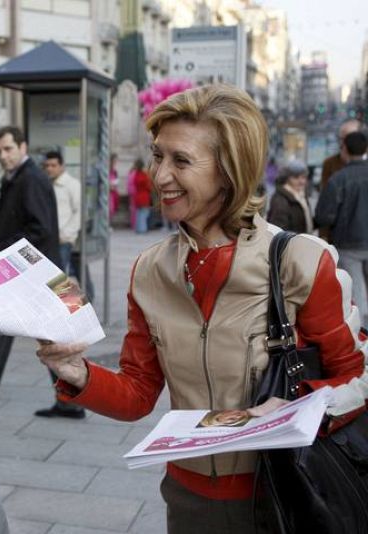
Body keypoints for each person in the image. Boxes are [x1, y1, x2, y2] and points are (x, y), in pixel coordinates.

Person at [34, 85, 365, 533]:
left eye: (181, 160)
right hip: (186, 499)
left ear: (229, 171)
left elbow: (356, 376)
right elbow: (137, 393)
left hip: (284, 495)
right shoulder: (150, 271)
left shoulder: (301, 262)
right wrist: (77, 373)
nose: (160, 175)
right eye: (157, 156)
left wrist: (290, 407)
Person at [0, 126, 84, 420]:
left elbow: (39, 230)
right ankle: (68, 403)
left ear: (23, 146)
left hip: (34, 274)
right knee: (31, 337)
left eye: (8, 149)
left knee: (38, 338)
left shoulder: (31, 178)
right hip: (30, 272)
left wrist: (0, 249)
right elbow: (20, 226)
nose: (3, 156)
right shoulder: (18, 177)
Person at [315, 130, 368, 326]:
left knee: (356, 292)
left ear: (345, 149)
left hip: (348, 243)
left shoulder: (338, 179)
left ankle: (362, 333)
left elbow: (324, 215)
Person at [42, 151, 81, 274]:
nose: (49, 169)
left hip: (63, 240)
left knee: (58, 277)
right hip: (48, 238)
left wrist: (65, 234)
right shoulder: (46, 184)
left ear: (62, 166)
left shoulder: (72, 184)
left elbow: (79, 212)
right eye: (47, 166)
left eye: (53, 165)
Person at [266, 161, 314, 234]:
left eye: (303, 177)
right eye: (296, 177)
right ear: (286, 178)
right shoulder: (280, 199)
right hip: (292, 243)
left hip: (302, 241)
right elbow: (279, 230)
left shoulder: (301, 194)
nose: (301, 181)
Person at [321, 119, 363, 194]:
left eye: (349, 139)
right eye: (341, 139)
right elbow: (325, 195)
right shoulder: (329, 163)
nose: (343, 143)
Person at [132, 158, 151, 233]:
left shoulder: (136, 174)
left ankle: (138, 228)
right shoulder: (144, 175)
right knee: (144, 213)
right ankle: (143, 229)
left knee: (139, 213)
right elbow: (148, 186)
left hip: (137, 195)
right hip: (144, 196)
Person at [109, 152, 120, 218]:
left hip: (113, 191)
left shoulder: (114, 170)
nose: (116, 162)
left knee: (112, 208)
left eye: (116, 160)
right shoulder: (109, 169)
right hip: (109, 191)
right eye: (115, 160)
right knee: (110, 208)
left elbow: (116, 179)